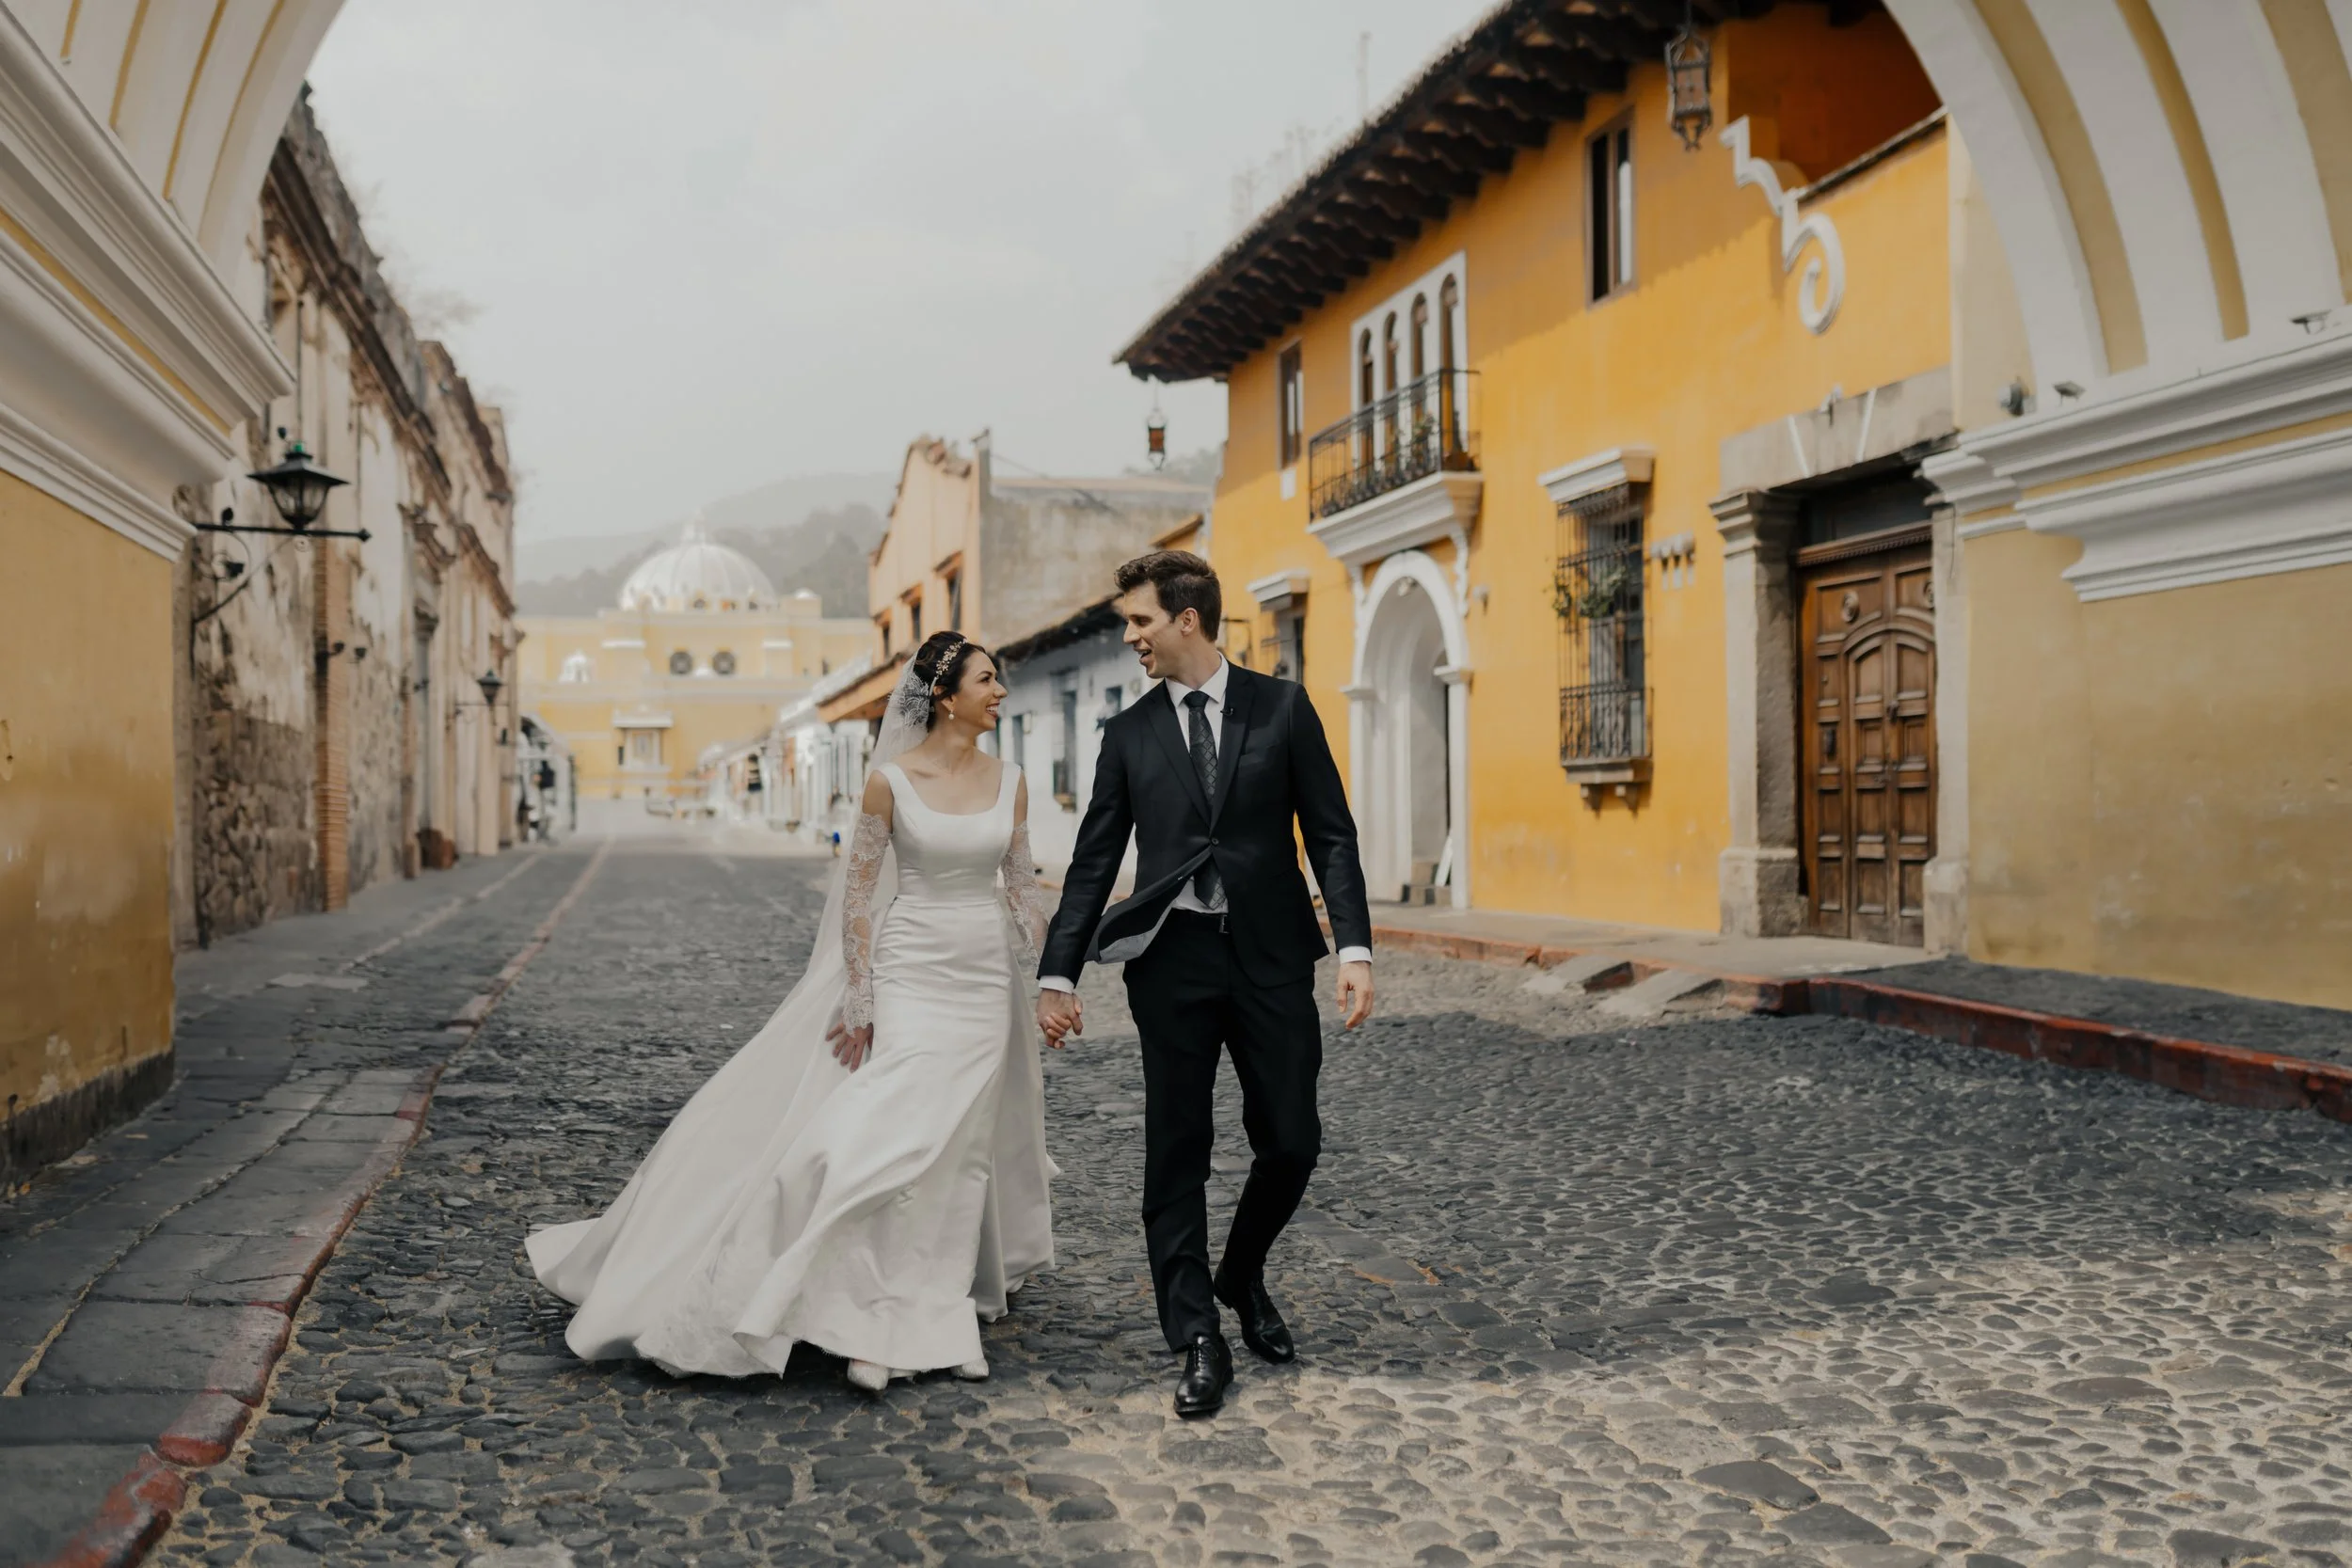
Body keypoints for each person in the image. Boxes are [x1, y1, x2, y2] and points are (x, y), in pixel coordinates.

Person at [527, 632, 1057, 1393]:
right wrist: (863, 989)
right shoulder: (889, 783)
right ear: (945, 696)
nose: (1000, 690)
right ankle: (859, 1312)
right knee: (888, 1137)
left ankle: (935, 1311)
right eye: (986, 679)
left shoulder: (1012, 781)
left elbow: (1019, 889)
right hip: (911, 972)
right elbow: (859, 893)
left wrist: (1053, 972)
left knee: (960, 1149)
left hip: (982, 983)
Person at [1036, 550, 1374, 1418]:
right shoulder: (1130, 734)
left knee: (1292, 1138)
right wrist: (1057, 968)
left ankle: (1241, 1270)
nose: (1130, 637)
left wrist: (1354, 950)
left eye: (1140, 620)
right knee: (1176, 1151)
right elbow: (1093, 861)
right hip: (1173, 962)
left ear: (1187, 619)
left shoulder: (1284, 708)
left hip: (1270, 956)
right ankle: (1197, 1335)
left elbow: (1331, 834)